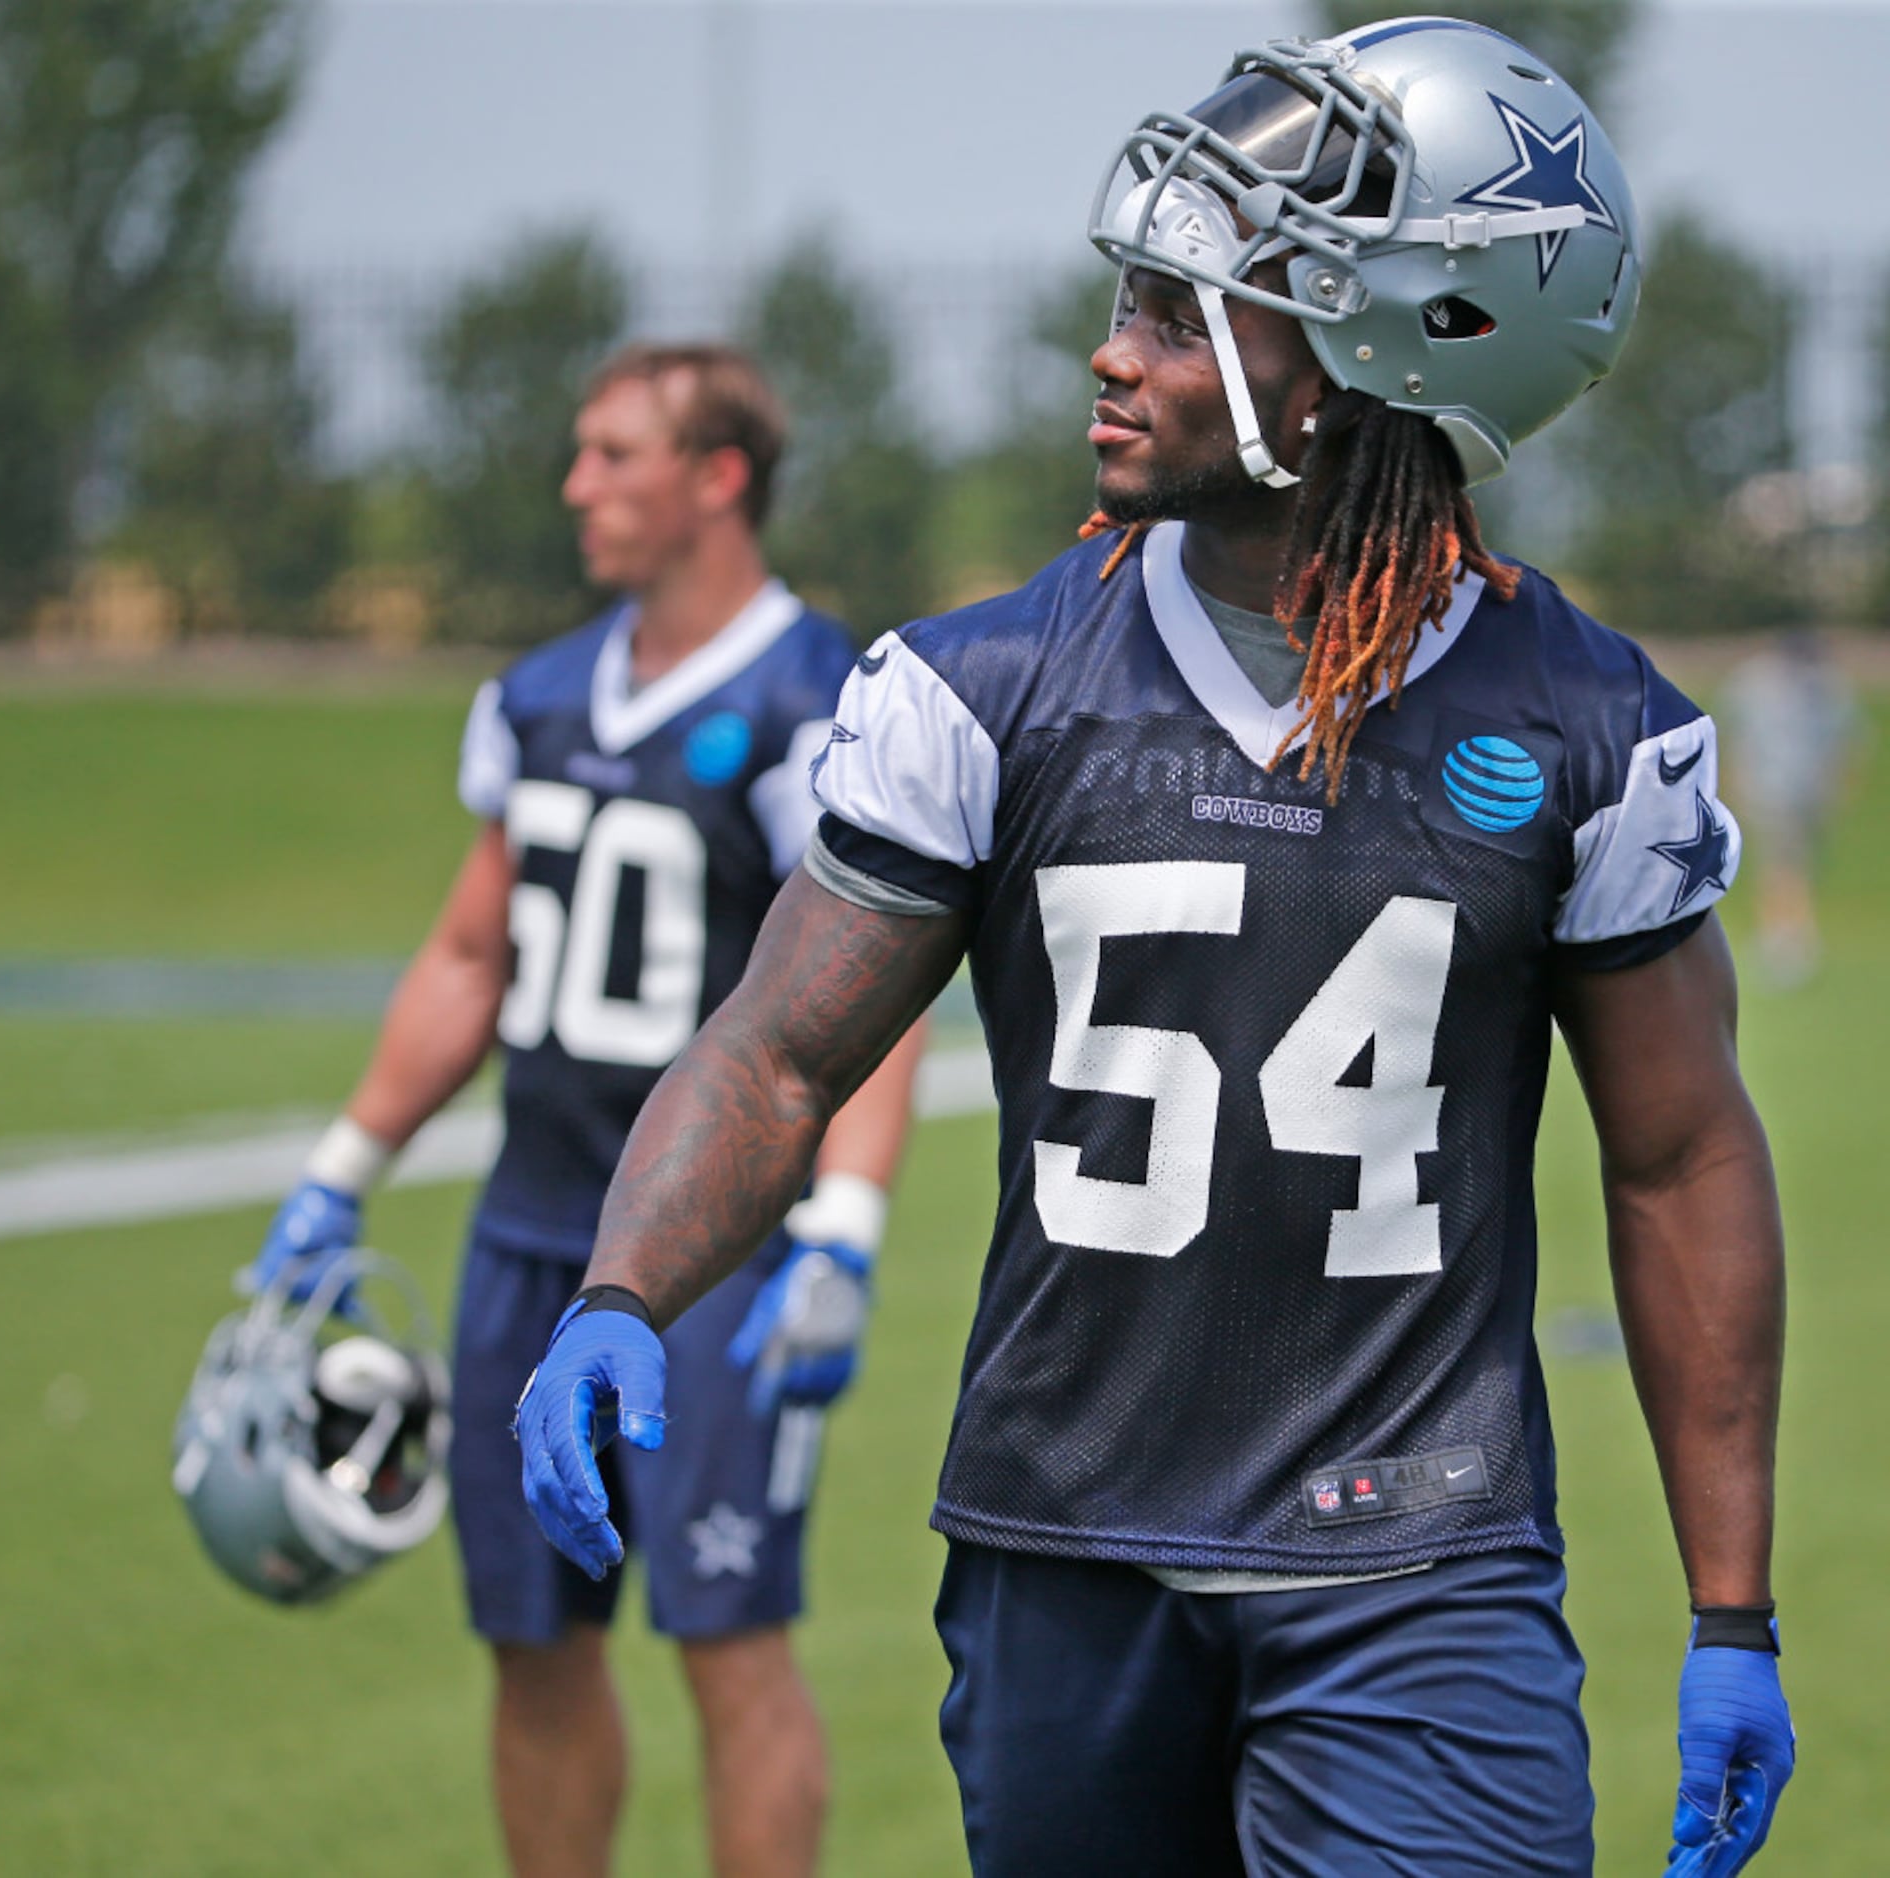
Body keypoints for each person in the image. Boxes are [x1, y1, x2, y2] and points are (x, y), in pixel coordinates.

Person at [515, 21, 1793, 1878]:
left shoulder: (1587, 729)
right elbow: (778, 1052)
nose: (1110, 352)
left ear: (1390, 344)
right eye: (1126, 293)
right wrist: (622, 1288)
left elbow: (1677, 1151)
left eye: (1186, 307)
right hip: (1064, 1552)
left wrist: (1730, 1608)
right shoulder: (990, 690)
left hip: (1414, 1564)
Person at [250, 342, 924, 1878]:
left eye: (615, 453)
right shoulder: (539, 697)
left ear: (718, 476)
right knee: (531, 1642)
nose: (578, 485)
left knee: (728, 1639)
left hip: (712, 1244)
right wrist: (343, 1168)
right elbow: (470, 954)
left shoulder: (813, 697)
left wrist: (845, 1233)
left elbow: (870, 1006)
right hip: (530, 1227)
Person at [1723, 628, 1860, 986]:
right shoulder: (1755, 682)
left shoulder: (1823, 686)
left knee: (1787, 866)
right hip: (1770, 789)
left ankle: (1789, 939)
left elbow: (1844, 741)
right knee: (1782, 865)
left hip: (1801, 791)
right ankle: (1788, 939)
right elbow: (1737, 735)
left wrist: (1834, 787)